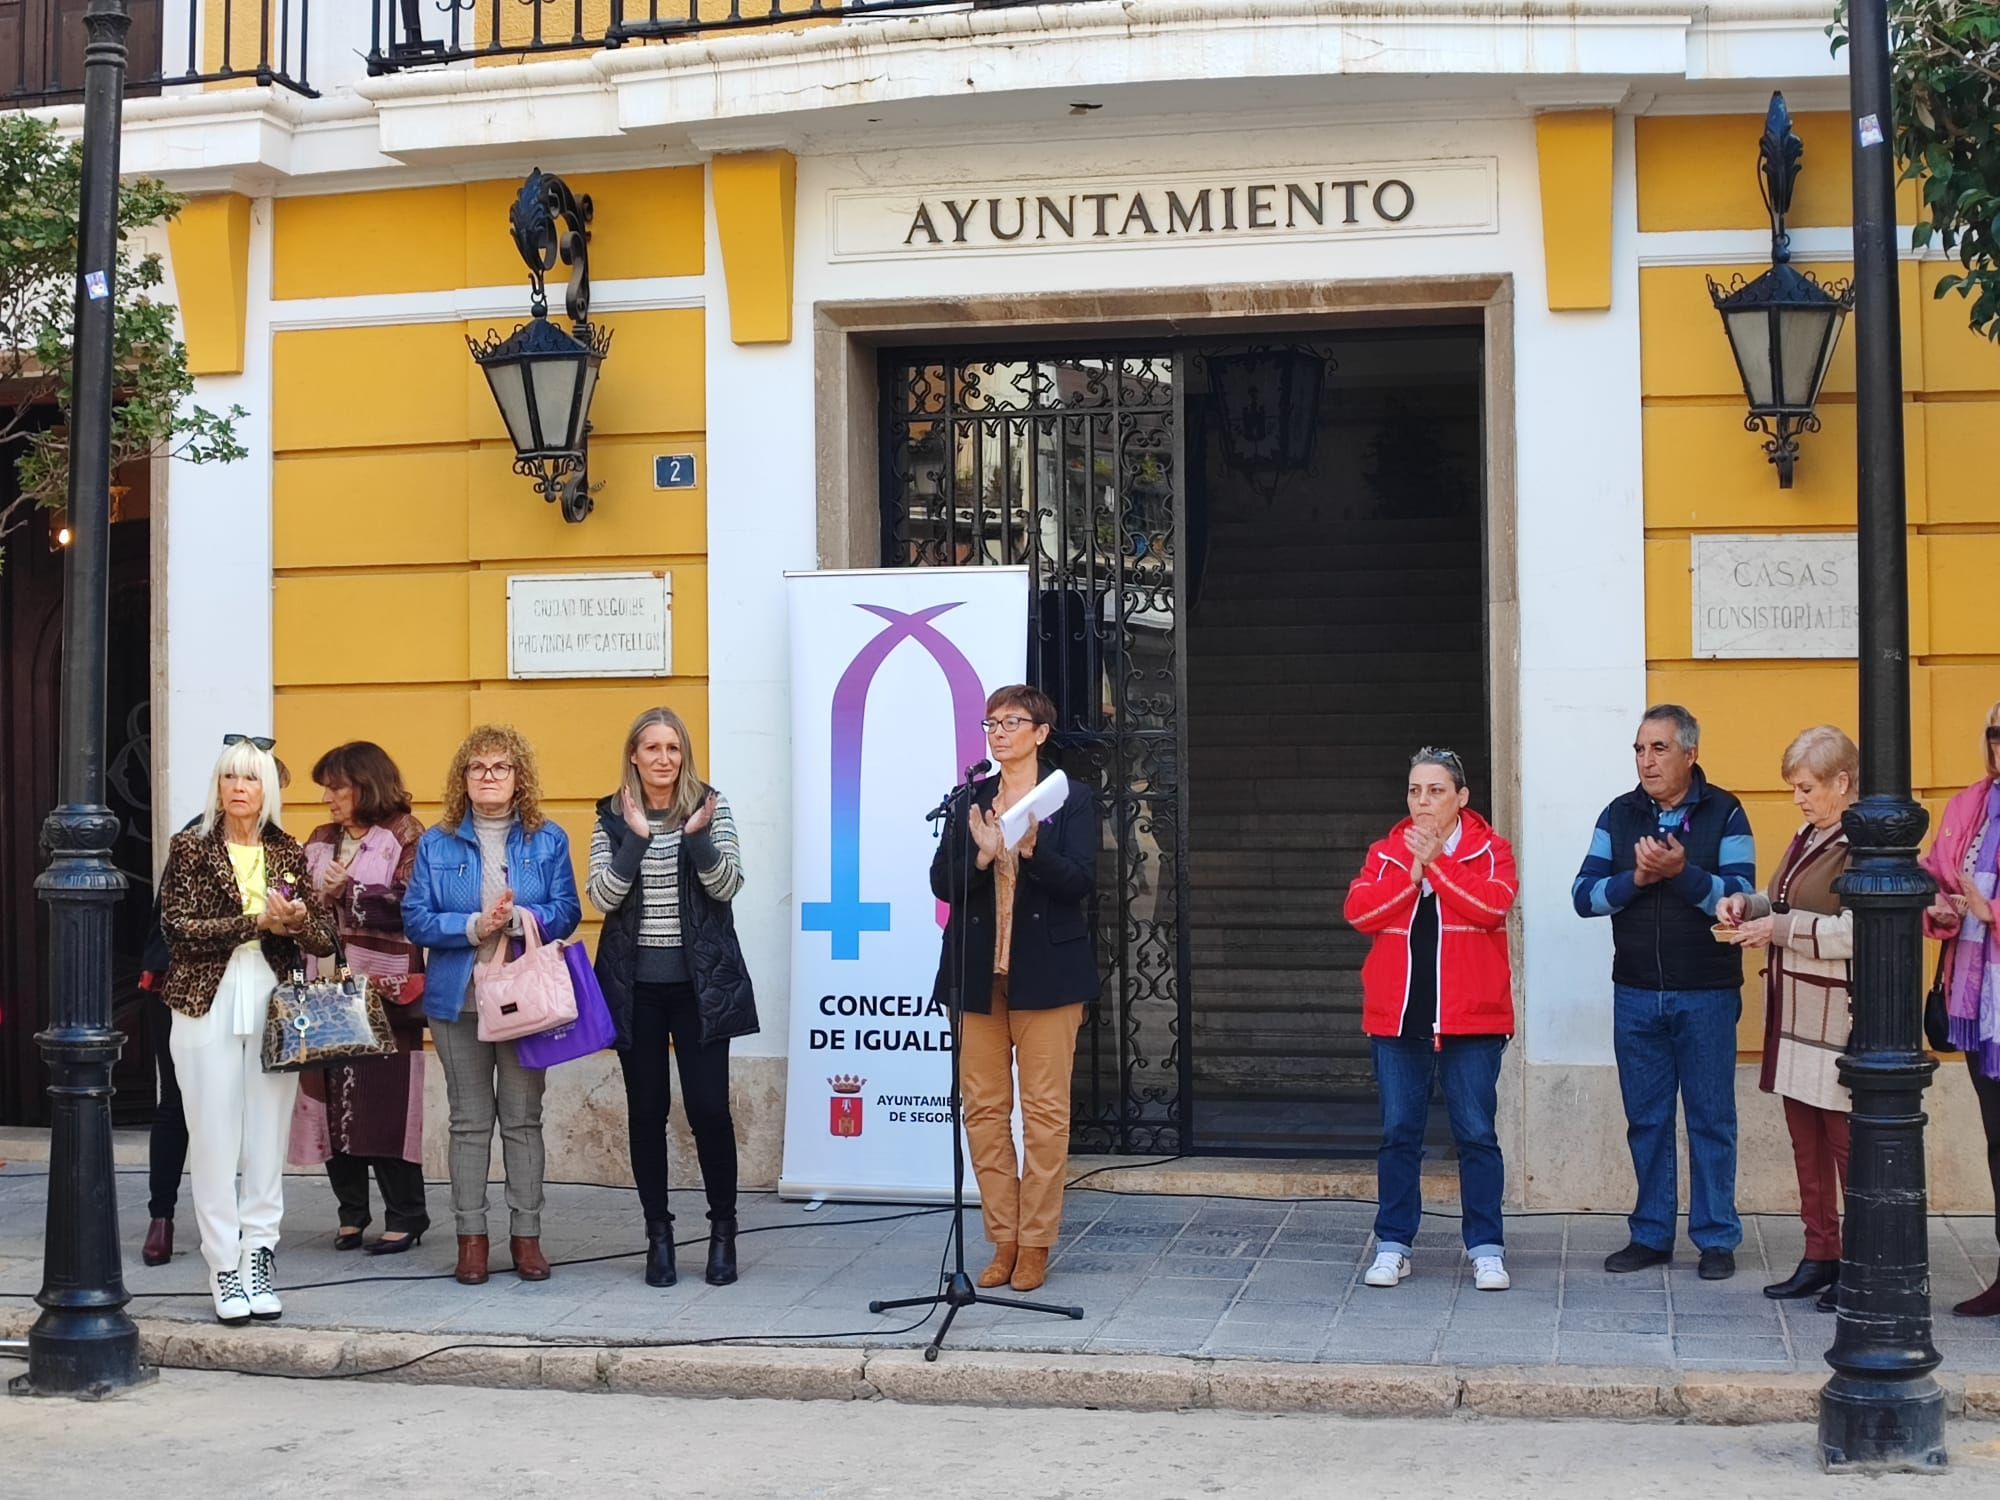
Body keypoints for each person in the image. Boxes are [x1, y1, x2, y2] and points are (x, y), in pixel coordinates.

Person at [1572, 704, 1756, 1280]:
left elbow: (1743, 896)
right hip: (1635, 994)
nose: (1646, 761)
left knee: (1711, 1119)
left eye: (1658, 749)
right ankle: (1651, 1234)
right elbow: (1584, 895)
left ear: (1690, 754)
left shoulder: (1725, 812)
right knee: (1646, 1119)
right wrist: (1639, 879)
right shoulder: (1619, 814)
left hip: (1706, 992)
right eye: (1639, 749)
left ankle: (1716, 1237)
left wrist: (1683, 875)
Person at [158, 735, 333, 1324]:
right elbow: (177, 927)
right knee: (212, 1137)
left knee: (266, 1137)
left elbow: (325, 940)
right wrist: (253, 921)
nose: (239, 788)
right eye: (230, 777)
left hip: (271, 1000)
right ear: (218, 785)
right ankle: (223, 1264)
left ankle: (259, 1253)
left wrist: (301, 922)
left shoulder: (288, 850)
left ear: (268, 789)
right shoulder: (190, 847)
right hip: (204, 1001)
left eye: (250, 778)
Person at [933, 684, 1100, 1294]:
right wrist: (978, 859)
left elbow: (1082, 881)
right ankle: (1002, 1238)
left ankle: (1036, 1243)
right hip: (980, 978)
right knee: (982, 1113)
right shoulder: (970, 800)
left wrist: (1031, 852)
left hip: (1048, 982)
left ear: (1040, 732)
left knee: (1046, 1117)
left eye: (1012, 722)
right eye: (991, 723)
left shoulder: (1071, 800)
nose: (999, 732)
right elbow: (941, 883)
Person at [403, 725, 580, 1287]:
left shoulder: (547, 839)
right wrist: (473, 925)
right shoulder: (437, 841)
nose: (488, 776)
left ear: (518, 776)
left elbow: (568, 908)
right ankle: (471, 1240)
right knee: (469, 1122)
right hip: (460, 999)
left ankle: (527, 1237)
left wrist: (527, 919)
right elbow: (416, 918)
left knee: (524, 1121)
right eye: (477, 768)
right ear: (463, 778)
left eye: (500, 767)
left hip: (527, 999)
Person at [589, 707, 756, 1289]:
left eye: (673, 748)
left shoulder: (711, 806)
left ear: (684, 755)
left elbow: (729, 884)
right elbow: (604, 897)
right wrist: (635, 840)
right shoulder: (611, 815)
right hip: (634, 987)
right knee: (647, 1111)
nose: (663, 758)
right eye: (652, 748)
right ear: (633, 755)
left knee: (710, 1109)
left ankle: (722, 1230)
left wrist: (699, 838)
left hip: (700, 986)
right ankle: (657, 1234)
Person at [1344, 748, 1519, 1292]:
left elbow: (1491, 908)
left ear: (1462, 798)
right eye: (1415, 790)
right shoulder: (1386, 853)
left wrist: (1438, 866)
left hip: (1473, 1019)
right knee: (1399, 1134)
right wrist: (1413, 871)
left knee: (1476, 1135)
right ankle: (1394, 1244)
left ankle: (1486, 1248)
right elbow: (1359, 912)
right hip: (1399, 1020)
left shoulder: (1493, 851)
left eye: (1436, 790)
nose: (1423, 801)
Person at [1718, 726, 1859, 1312]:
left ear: (1842, 783)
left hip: (1838, 1018)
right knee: (1807, 1144)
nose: (1797, 799)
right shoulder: (1810, 835)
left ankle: (1862, 1262)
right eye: (1795, 788)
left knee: (1849, 1148)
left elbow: (1858, 931)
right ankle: (1820, 1253)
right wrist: (1749, 905)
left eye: (1806, 787)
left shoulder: (1865, 844)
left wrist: (1777, 928)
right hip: (1795, 1014)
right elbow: (1785, 901)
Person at [290, 742, 430, 1256]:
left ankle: (406, 1215)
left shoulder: (406, 834)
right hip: (323, 987)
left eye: (337, 786)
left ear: (366, 784)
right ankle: (351, 1212)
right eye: (326, 787)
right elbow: (295, 899)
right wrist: (307, 899)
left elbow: (415, 905)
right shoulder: (321, 838)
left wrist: (348, 891)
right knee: (331, 1103)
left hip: (386, 990)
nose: (328, 797)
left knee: (385, 1104)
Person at [1920, 700, 2000, 1318]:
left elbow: (1985, 904)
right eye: (1995, 732)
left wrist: (1991, 914)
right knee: (1997, 1139)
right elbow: (1935, 877)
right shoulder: (1968, 806)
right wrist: (1942, 911)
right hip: (1976, 1005)